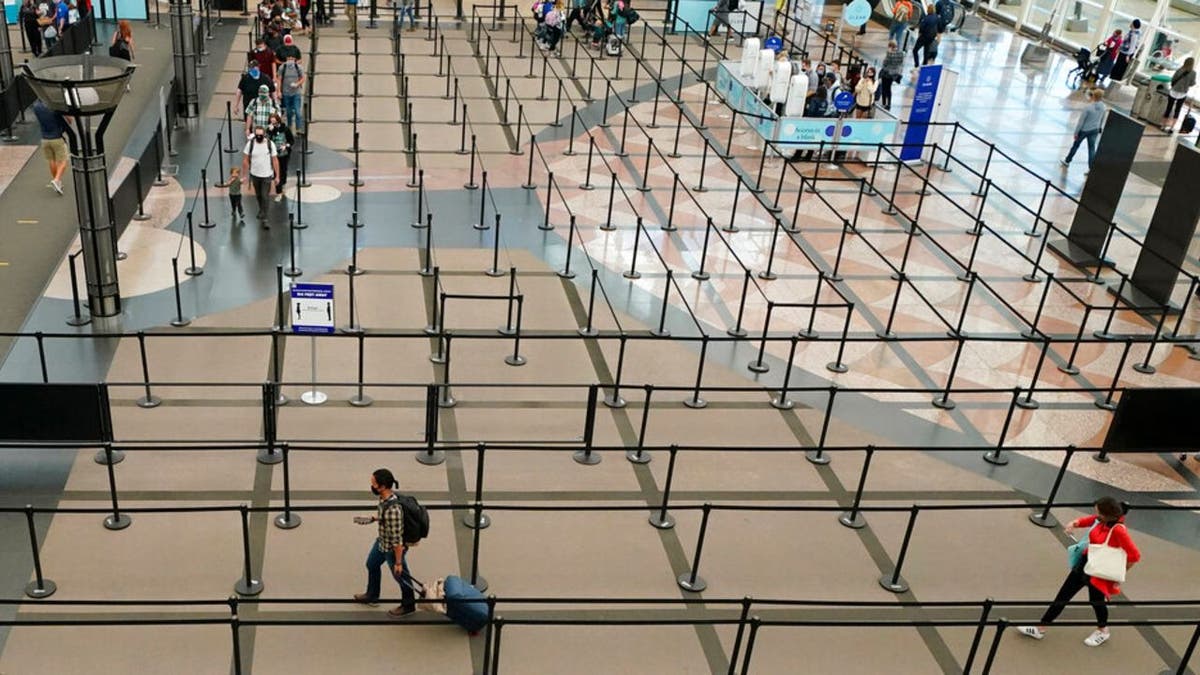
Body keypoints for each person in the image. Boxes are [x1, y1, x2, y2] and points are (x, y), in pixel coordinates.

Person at [1017, 496, 1141, 647]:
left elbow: (1135, 555)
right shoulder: (1102, 520)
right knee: (1063, 595)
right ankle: (1040, 628)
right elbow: (1090, 520)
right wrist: (1074, 523)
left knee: (1096, 602)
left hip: (1100, 572)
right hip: (1085, 563)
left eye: (1099, 513)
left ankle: (1103, 630)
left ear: (1107, 514)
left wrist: (1119, 574)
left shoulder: (1118, 531)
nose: (1096, 515)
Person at [353, 468, 417, 618]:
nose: (372, 486)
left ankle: (409, 605)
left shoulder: (393, 510)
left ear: (382, 486)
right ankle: (372, 595)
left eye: (374, 484)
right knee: (372, 564)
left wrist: (398, 562)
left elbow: (397, 541)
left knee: (401, 576)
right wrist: (374, 518)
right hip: (382, 541)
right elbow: (386, 519)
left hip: (392, 549)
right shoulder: (385, 498)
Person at [241, 125, 280, 225]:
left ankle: (265, 217)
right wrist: (244, 175)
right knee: (258, 195)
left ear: (264, 135)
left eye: (261, 135)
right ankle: (261, 209)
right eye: (257, 135)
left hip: (267, 175)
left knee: (265, 196)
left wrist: (277, 176)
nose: (259, 137)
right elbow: (245, 160)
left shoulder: (270, 144)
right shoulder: (250, 144)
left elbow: (275, 160)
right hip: (255, 174)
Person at [32, 100, 70, 195]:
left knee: (52, 160)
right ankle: (57, 180)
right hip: (57, 138)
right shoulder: (55, 106)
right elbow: (69, 120)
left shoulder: (36, 107)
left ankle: (57, 181)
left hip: (45, 139)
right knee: (63, 161)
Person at [1062, 88, 1105, 169]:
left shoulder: (1088, 108)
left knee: (1075, 145)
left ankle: (1067, 161)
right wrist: (1099, 128)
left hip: (1084, 130)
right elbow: (1102, 118)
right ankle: (1091, 168)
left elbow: (1081, 122)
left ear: (1094, 96)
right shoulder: (1103, 107)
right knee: (1092, 149)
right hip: (1095, 130)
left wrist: (1076, 133)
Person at [1162, 57, 1195, 132]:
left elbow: (1173, 79)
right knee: (1177, 110)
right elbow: (1192, 83)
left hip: (1173, 91)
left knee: (1168, 108)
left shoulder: (1179, 70)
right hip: (1182, 93)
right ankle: (1172, 128)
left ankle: (1163, 125)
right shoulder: (1193, 73)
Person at [266, 114, 294, 202]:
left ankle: (283, 183)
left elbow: (291, 140)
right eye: (272, 123)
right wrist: (270, 132)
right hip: (274, 155)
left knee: (283, 170)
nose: (274, 125)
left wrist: (286, 146)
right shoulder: (269, 130)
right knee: (276, 172)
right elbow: (267, 141)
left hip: (284, 154)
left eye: (275, 122)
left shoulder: (285, 129)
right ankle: (279, 192)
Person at [276, 52, 306, 132]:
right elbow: (279, 79)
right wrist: (279, 91)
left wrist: (297, 84)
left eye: (292, 59)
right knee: (288, 112)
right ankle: (289, 126)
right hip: (286, 93)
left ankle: (298, 128)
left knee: (297, 112)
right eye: (289, 59)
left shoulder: (298, 67)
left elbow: (303, 78)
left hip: (296, 92)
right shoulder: (282, 67)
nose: (290, 60)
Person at [912, 4, 939, 69]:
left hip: (924, 36)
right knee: (926, 51)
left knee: (915, 50)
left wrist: (919, 34)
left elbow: (922, 28)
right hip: (931, 37)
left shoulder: (926, 18)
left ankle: (916, 65)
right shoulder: (936, 17)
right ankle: (924, 65)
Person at [879, 40, 904, 108]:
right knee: (889, 89)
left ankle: (884, 103)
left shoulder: (889, 54)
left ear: (890, 46)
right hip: (893, 74)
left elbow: (885, 64)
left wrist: (888, 54)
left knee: (884, 89)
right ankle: (889, 104)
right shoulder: (901, 53)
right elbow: (901, 63)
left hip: (886, 73)